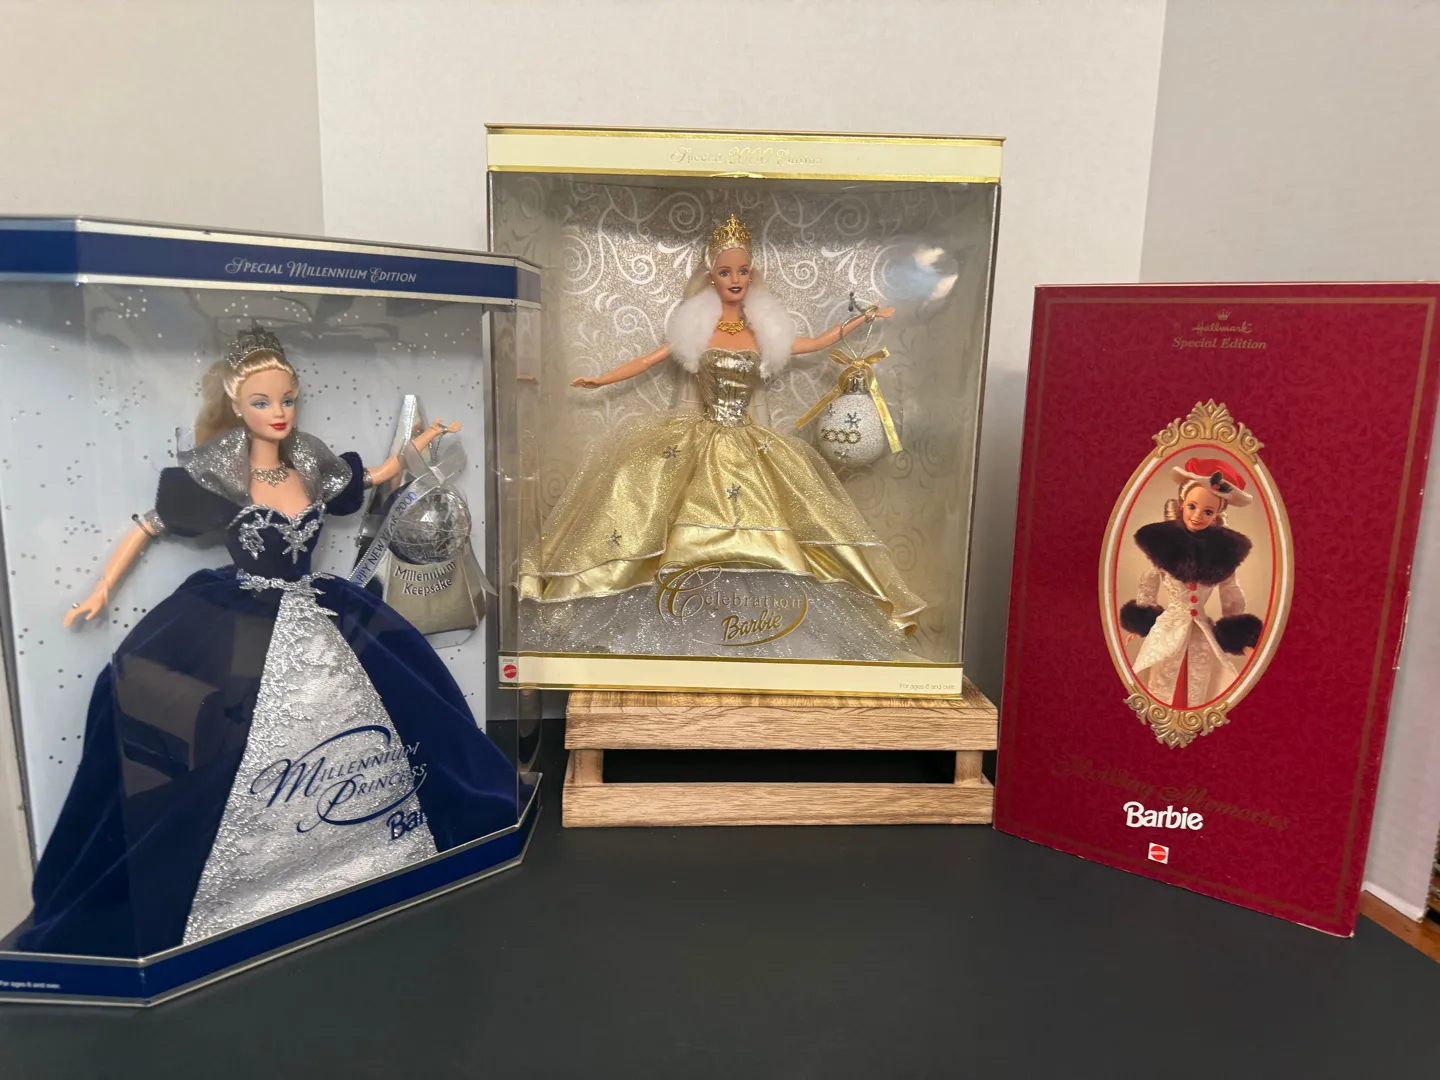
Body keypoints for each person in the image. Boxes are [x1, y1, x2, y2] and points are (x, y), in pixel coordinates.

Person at [17, 326, 519, 958]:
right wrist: (100, 590)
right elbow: (149, 525)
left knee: (406, 695)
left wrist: (416, 446)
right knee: (214, 727)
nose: (278, 413)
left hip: (321, 604)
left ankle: (373, 836)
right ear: (236, 404)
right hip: (239, 614)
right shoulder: (217, 473)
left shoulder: (309, 461)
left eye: (287, 400)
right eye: (262, 402)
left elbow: (374, 477)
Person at [519, 214, 924, 660]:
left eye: (743, 271)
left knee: (773, 526)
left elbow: (814, 342)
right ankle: (686, 615)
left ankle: (752, 623)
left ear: (752, 275)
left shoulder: (762, 334)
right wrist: (601, 379)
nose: (735, 279)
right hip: (701, 435)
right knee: (655, 507)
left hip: (747, 439)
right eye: (726, 271)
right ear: (711, 275)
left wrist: (863, 318)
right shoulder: (698, 331)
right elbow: (650, 359)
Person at [1120, 457, 1264, 709]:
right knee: (1162, 678)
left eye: (1207, 512)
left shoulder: (1223, 556)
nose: (1197, 516)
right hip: (1168, 629)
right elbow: (1149, 583)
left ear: (1216, 516)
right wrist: (1140, 621)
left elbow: (1231, 593)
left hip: (1200, 633)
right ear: (1181, 505)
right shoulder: (1164, 548)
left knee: (1200, 681)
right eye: (1192, 507)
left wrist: (1240, 639)